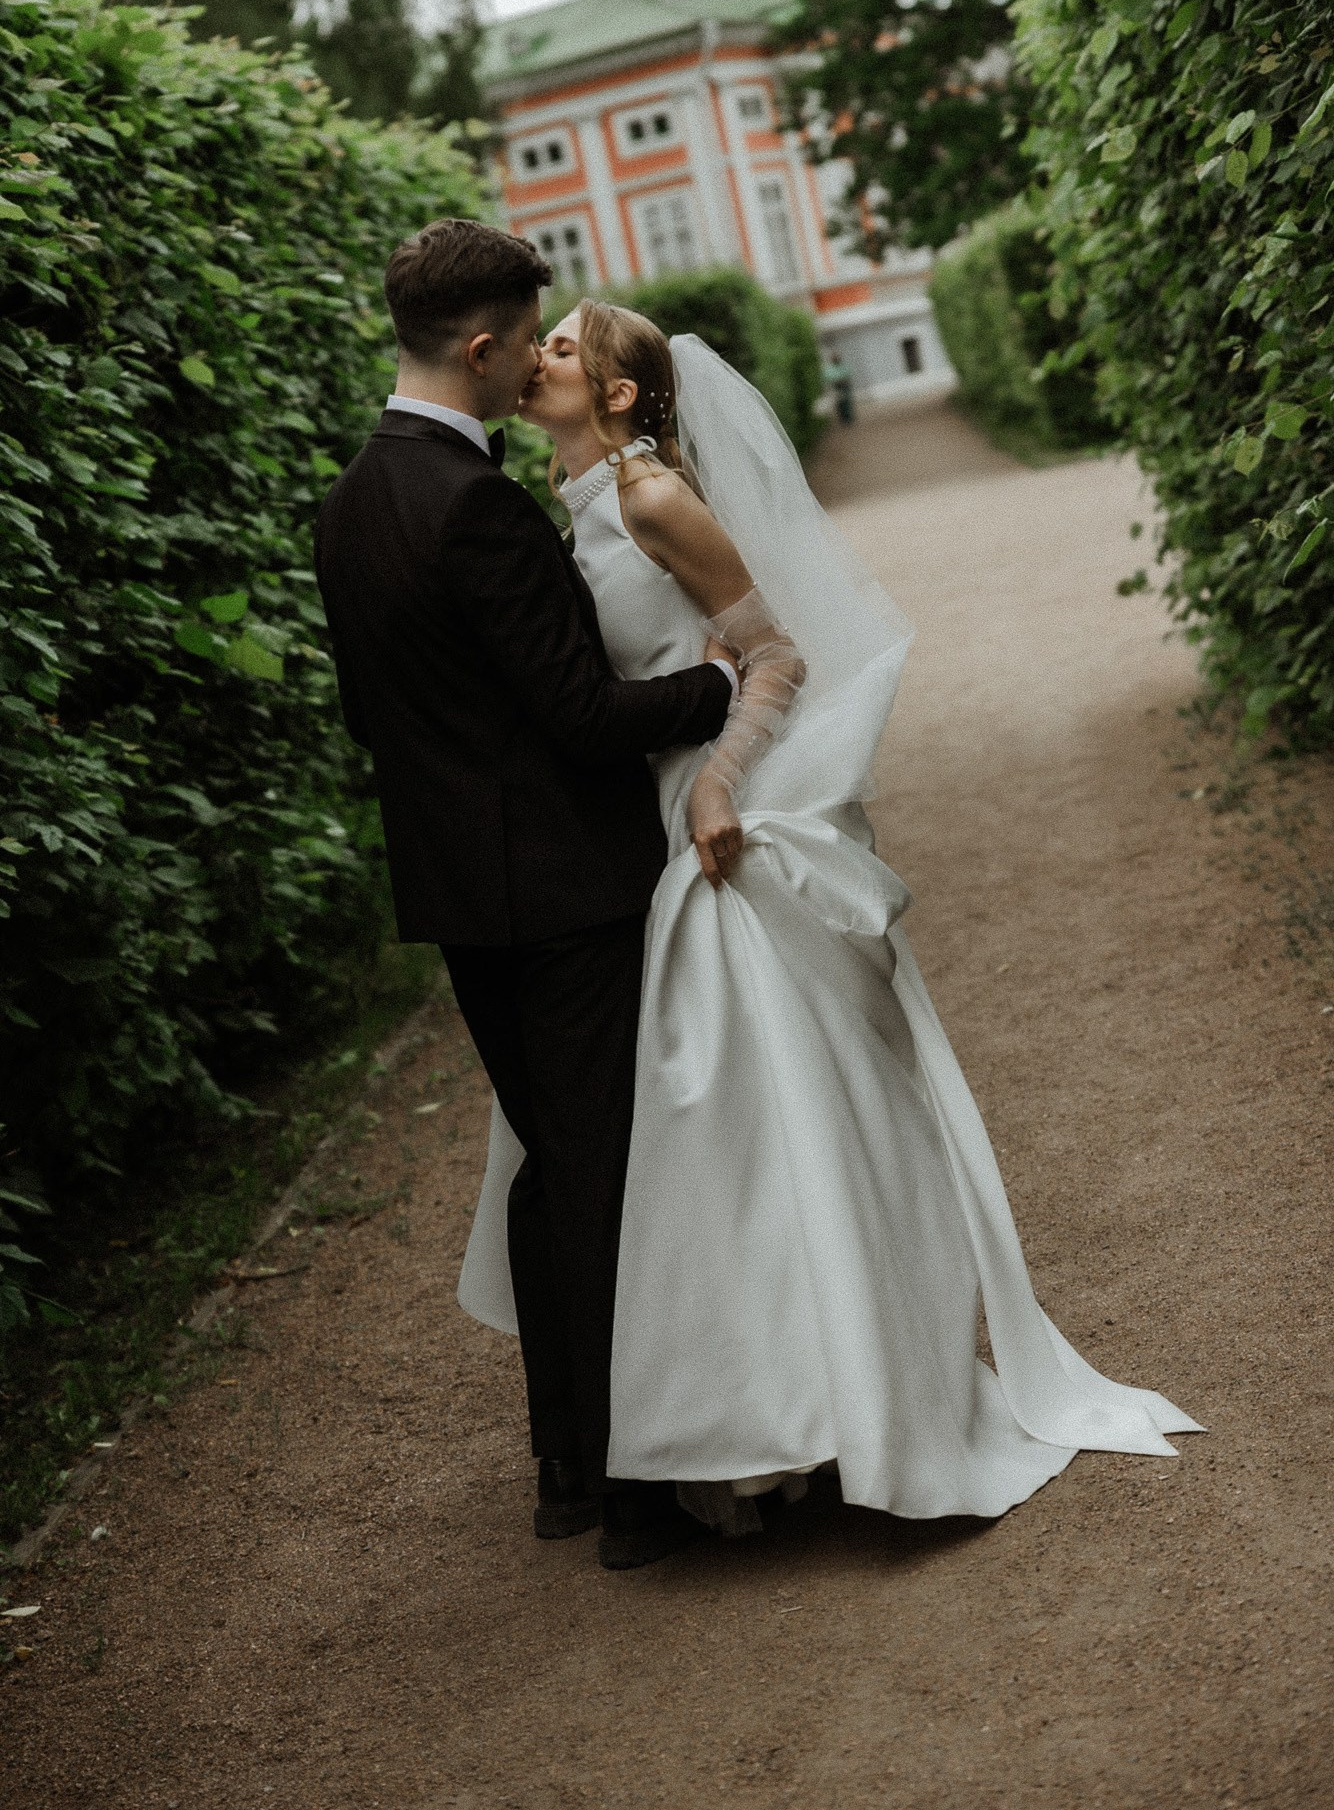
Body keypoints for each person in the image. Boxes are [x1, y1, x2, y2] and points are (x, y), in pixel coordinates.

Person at [460, 299, 1201, 1539]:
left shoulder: (652, 499)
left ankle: (831, 1409)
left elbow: (777, 653)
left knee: (754, 1114)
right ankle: (749, 1424)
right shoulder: (569, 500)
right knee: (693, 1140)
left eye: (563, 346)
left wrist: (715, 782)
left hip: (709, 818)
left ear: (619, 394)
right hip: (630, 829)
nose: (537, 356)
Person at [314, 222, 742, 1570]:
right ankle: (640, 1495)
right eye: (522, 349)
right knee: (604, 1169)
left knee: (547, 1169)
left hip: (456, 891)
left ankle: (564, 1462)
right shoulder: (480, 505)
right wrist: (718, 687)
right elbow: (581, 716)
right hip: (566, 886)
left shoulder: (348, 503)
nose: (527, 375)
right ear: (484, 344)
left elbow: (370, 718)